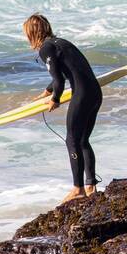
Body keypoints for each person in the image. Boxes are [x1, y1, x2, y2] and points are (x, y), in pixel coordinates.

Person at [23, 14, 102, 205]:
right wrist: (47, 91)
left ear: (32, 33)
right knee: (83, 140)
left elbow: (60, 80)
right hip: (95, 93)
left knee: (72, 140)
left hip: (82, 96)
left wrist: (55, 99)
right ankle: (91, 186)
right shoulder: (61, 42)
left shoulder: (45, 49)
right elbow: (67, 72)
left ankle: (78, 189)